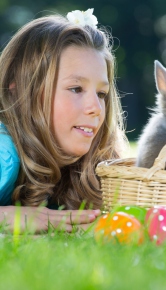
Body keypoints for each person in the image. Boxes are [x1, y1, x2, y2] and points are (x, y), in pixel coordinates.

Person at [0, 8, 127, 233]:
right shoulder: (4, 152)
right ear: (18, 91)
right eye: (76, 88)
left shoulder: (85, 165)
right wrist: (6, 217)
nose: (96, 109)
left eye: (101, 94)